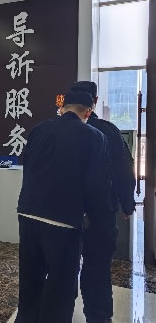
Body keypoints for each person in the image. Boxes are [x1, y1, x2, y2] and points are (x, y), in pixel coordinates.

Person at [15, 91, 113, 322]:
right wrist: (97, 221)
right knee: (61, 284)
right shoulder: (94, 136)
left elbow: (26, 165)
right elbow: (97, 186)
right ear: (88, 112)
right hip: (64, 220)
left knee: (30, 279)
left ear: (62, 108)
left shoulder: (39, 129)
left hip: (28, 214)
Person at [70, 81, 136, 323]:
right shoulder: (108, 131)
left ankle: (62, 311)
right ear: (95, 101)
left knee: (65, 266)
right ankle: (98, 317)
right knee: (97, 268)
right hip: (101, 214)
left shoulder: (60, 131)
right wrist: (127, 204)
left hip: (67, 212)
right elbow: (123, 169)